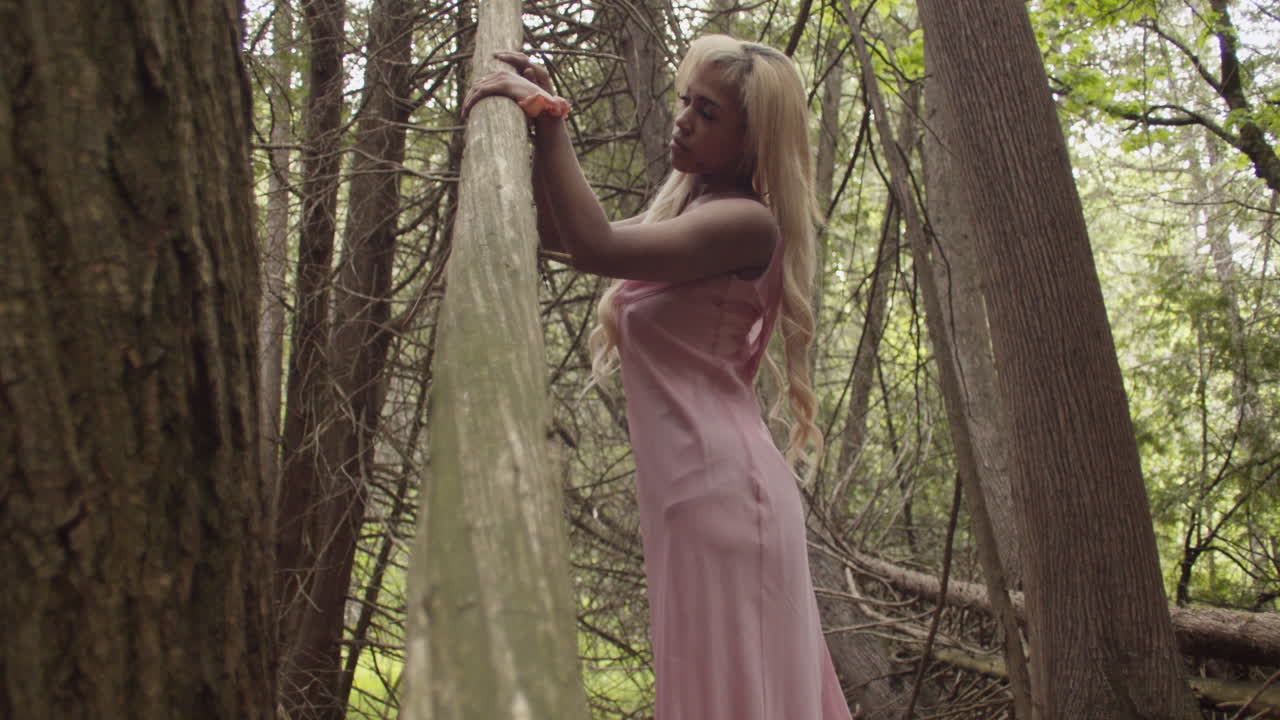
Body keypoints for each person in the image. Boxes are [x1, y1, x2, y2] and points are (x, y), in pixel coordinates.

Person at [463, 34, 853, 720]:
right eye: (684, 101)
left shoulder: (746, 224)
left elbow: (596, 247)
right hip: (693, 498)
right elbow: (559, 232)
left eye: (708, 113)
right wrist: (529, 126)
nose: (684, 119)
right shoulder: (694, 213)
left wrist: (552, 120)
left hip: (725, 499)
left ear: (749, 139)